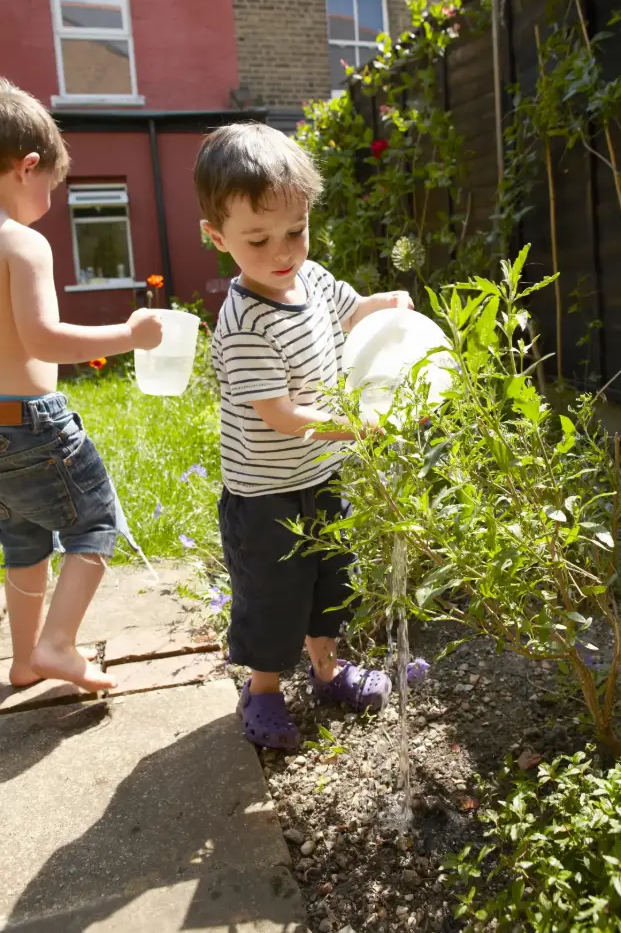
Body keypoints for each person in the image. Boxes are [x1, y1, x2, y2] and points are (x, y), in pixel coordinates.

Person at [196, 121, 412, 749]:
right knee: (273, 595)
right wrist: (357, 425)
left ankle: (328, 669)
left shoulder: (311, 280)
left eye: (295, 230)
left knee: (330, 580)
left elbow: (347, 310)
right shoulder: (243, 323)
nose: (283, 251)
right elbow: (283, 415)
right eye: (258, 239)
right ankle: (262, 690)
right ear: (218, 237)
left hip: (320, 474)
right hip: (264, 495)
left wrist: (381, 304)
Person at [0, 79, 162, 692]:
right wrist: (128, 334)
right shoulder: (22, 243)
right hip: (34, 422)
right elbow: (42, 339)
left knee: (24, 538)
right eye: (50, 185)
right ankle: (60, 645)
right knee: (95, 520)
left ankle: (22, 662)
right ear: (27, 166)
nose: (49, 198)